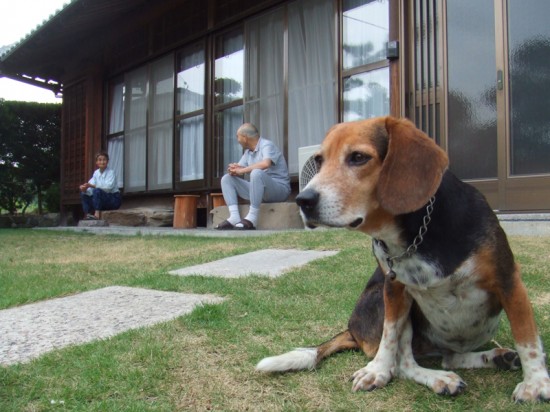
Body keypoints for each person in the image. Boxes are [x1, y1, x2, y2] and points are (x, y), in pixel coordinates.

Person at [216, 123, 291, 230]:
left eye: (238, 136)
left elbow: (266, 164)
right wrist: (234, 169)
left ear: (245, 138)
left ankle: (252, 217)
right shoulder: (248, 153)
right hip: (259, 190)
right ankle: (234, 217)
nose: (237, 140)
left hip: (279, 190)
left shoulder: (267, 145)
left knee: (256, 172)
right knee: (227, 179)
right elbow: (241, 169)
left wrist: (242, 170)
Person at [79, 151, 121, 220]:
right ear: (96, 162)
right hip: (102, 200)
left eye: (104, 160)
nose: (102, 162)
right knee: (84, 194)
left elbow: (108, 188)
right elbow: (90, 185)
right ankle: (88, 215)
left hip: (114, 199)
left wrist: (93, 186)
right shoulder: (96, 173)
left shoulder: (111, 172)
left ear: (107, 161)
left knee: (97, 191)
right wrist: (85, 189)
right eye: (100, 160)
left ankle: (97, 214)